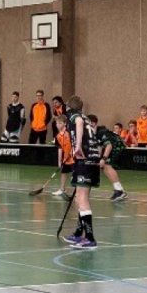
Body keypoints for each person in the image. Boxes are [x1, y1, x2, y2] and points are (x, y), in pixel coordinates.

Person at [63, 94, 101, 248]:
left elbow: (78, 123)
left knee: (82, 198)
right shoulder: (86, 118)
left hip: (85, 160)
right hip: (91, 160)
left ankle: (90, 238)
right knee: (80, 197)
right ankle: (79, 233)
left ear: (69, 107)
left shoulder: (75, 116)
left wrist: (77, 146)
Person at [88, 115, 127, 201]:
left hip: (117, 146)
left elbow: (109, 146)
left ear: (93, 123)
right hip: (111, 147)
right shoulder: (92, 133)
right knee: (104, 167)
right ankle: (119, 190)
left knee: (107, 166)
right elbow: (99, 146)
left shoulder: (101, 132)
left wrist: (104, 158)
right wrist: (98, 159)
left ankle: (120, 191)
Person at [51, 114, 74, 198]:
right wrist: (59, 161)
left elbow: (72, 145)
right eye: (57, 123)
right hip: (65, 158)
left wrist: (70, 154)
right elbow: (60, 148)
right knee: (63, 172)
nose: (58, 125)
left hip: (73, 157)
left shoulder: (69, 133)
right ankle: (62, 189)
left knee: (75, 174)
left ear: (65, 123)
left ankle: (77, 191)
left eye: (60, 123)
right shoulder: (57, 136)